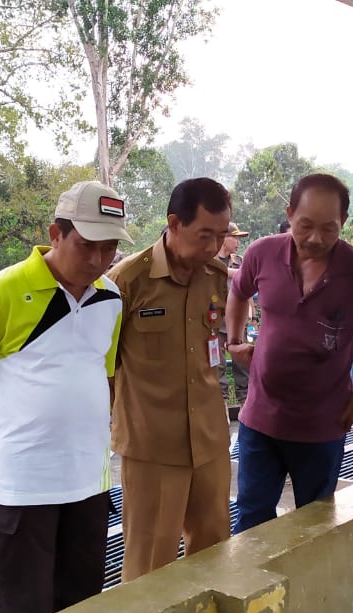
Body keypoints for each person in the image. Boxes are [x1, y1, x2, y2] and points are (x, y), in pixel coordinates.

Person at [0, 180, 126, 613]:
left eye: (108, 249)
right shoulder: (3, 291)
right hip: (21, 488)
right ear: (55, 233)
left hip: (88, 484)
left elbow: (103, 372)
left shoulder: (111, 298)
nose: (97, 261)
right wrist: (3, 415)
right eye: (86, 246)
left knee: (81, 612)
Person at [226, 173, 353, 533]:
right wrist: (235, 341)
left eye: (329, 229)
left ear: (343, 222)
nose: (315, 239)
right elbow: (238, 292)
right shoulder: (261, 253)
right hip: (260, 420)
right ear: (289, 214)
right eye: (305, 226)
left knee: (314, 527)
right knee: (251, 520)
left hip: (321, 427)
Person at [108, 177, 233, 581]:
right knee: (149, 569)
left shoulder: (216, 277)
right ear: (174, 223)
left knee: (214, 557)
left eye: (221, 235)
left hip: (210, 443)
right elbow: (104, 369)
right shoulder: (128, 282)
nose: (214, 247)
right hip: (152, 450)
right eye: (204, 235)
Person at [216, 222, 250, 403]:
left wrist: (250, 317)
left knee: (243, 365)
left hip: (237, 321)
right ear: (223, 238)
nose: (237, 242)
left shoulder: (240, 261)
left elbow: (247, 287)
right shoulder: (209, 261)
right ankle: (222, 408)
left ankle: (246, 403)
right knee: (217, 365)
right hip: (214, 322)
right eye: (234, 237)